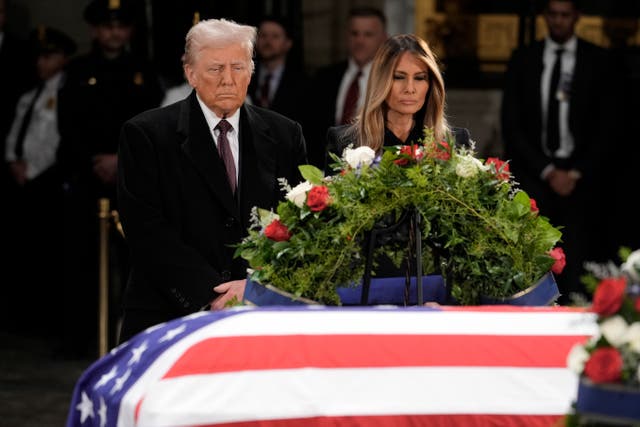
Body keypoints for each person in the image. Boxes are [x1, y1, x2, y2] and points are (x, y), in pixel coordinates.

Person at [117, 18, 307, 343]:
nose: (228, 81)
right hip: (170, 314)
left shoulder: (285, 134)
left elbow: (298, 224)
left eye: (238, 67)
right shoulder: (146, 135)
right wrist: (213, 293)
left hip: (259, 311)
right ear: (190, 73)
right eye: (216, 69)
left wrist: (254, 287)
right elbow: (146, 229)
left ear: (251, 71)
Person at [56, 0, 164, 357]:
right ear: (94, 30)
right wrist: (94, 160)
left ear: (130, 30)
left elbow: (153, 124)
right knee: (80, 262)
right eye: (106, 26)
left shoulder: (144, 71)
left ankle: (133, 341)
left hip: (132, 181)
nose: (114, 32)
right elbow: (68, 125)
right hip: (88, 179)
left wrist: (121, 160)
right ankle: (81, 338)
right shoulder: (77, 70)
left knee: (137, 263)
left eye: (120, 25)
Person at [325, 33, 470, 280]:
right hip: (369, 283)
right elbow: (334, 230)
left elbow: (464, 231)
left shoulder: (454, 143)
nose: (410, 89)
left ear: (431, 84)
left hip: (435, 283)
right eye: (398, 77)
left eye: (420, 78)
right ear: (381, 81)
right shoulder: (346, 143)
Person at [501, 0, 613, 304]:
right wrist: (548, 171)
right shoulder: (525, 59)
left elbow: (609, 125)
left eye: (565, 15)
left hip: (583, 177)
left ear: (576, 16)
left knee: (580, 255)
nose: (559, 21)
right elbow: (512, 124)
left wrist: (576, 172)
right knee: (535, 254)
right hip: (537, 172)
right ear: (545, 17)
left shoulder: (598, 61)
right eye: (553, 15)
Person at [2, 26, 76, 338]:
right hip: (23, 179)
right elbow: (17, 134)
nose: (41, 63)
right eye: (39, 57)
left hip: (48, 180)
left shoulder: (65, 93)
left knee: (50, 255)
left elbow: (56, 141)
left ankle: (49, 322)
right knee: (24, 253)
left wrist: (35, 171)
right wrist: (14, 162)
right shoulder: (30, 94)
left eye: (49, 56)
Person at [306, 6, 388, 168]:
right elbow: (311, 129)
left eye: (368, 34)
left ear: (384, 38)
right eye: (354, 33)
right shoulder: (324, 77)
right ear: (346, 36)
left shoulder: (390, 79)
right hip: (325, 169)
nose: (360, 41)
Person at [247, 16, 309, 123]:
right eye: (263, 35)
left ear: (288, 43)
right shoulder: (243, 76)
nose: (268, 41)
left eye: (275, 36)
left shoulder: (303, 83)